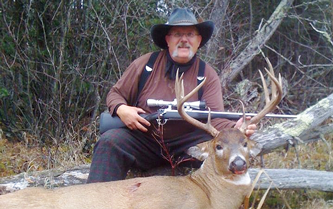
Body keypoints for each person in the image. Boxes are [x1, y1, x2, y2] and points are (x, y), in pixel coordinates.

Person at [87, 8, 256, 183]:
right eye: (177, 34)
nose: (184, 40)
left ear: (198, 41)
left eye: (190, 34)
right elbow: (115, 94)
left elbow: (216, 119)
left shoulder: (207, 74)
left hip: (188, 145)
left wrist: (236, 127)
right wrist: (122, 110)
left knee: (223, 150)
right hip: (145, 140)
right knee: (110, 142)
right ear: (168, 39)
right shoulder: (145, 65)